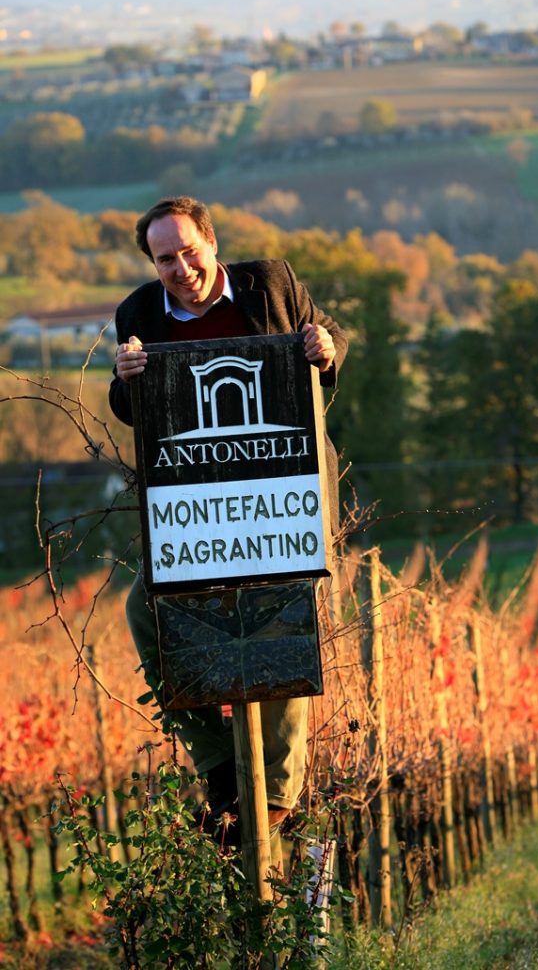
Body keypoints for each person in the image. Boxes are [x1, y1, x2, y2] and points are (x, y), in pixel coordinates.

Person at [109, 196, 347, 841]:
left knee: (281, 623)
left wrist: (324, 347)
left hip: (280, 493)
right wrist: (124, 375)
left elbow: (331, 341)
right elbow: (129, 403)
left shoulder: (271, 282)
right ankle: (218, 766)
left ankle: (274, 797)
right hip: (193, 506)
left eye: (189, 251)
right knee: (146, 610)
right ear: (153, 264)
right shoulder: (136, 312)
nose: (181, 267)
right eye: (165, 258)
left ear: (211, 244)